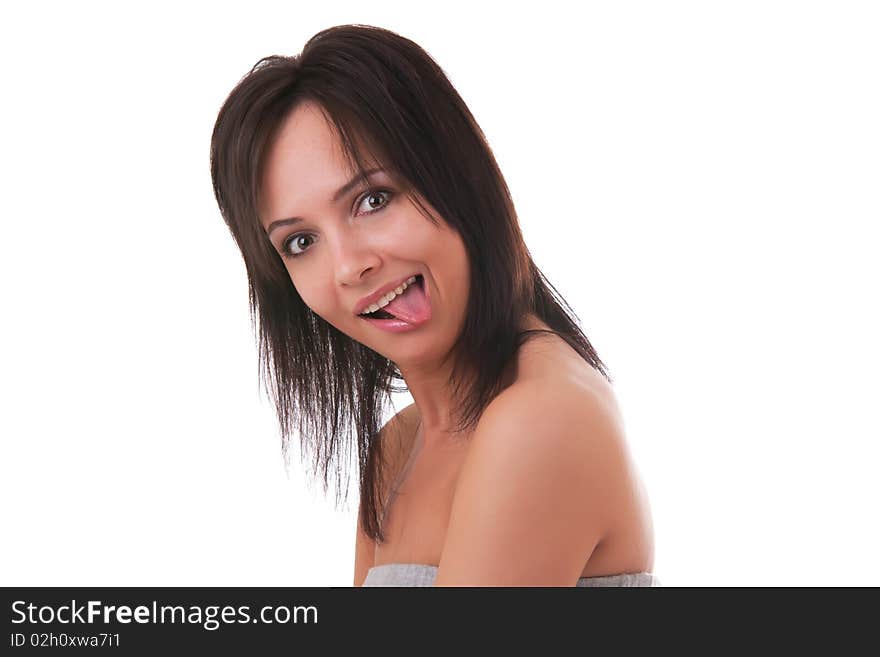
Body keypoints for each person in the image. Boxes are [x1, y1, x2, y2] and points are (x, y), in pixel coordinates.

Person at [210, 24, 658, 587]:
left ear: (457, 175)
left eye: (373, 200)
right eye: (301, 242)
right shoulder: (397, 447)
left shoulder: (540, 418)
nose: (349, 266)